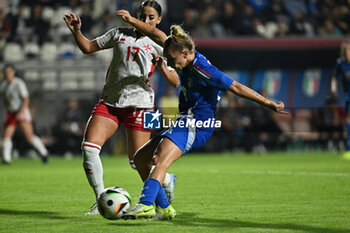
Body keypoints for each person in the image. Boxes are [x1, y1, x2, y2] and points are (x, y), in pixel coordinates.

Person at [116, 9, 288, 220]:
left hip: (197, 124)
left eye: (171, 59)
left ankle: (145, 205)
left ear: (186, 53)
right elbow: (157, 35)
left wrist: (268, 103)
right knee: (141, 158)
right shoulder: (179, 53)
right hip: (185, 120)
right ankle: (165, 209)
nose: (169, 63)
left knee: (159, 160)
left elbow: (236, 87)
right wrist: (132, 21)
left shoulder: (203, 69)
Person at [63, 0, 179, 215]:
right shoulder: (119, 33)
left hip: (142, 105)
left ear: (159, 20)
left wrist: (162, 66)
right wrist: (77, 32)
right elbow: (88, 47)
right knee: (89, 149)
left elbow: (175, 81)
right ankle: (100, 201)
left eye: (151, 17)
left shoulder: (161, 43)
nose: (145, 20)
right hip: (110, 102)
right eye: (142, 16)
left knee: (138, 162)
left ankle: (166, 181)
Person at [0, 64, 49, 164]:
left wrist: (21, 112)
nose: (7, 74)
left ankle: (44, 153)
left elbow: (26, 100)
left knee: (29, 137)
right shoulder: (4, 85)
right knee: (7, 135)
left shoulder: (19, 83)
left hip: (22, 111)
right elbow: (4, 99)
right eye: (6, 72)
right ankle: (6, 159)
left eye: (9, 72)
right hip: (12, 112)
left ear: (13, 72)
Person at [331, 38, 350, 159]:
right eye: (347, 49)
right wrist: (333, 88)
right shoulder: (341, 63)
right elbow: (335, 77)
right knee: (348, 119)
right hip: (348, 94)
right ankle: (349, 147)